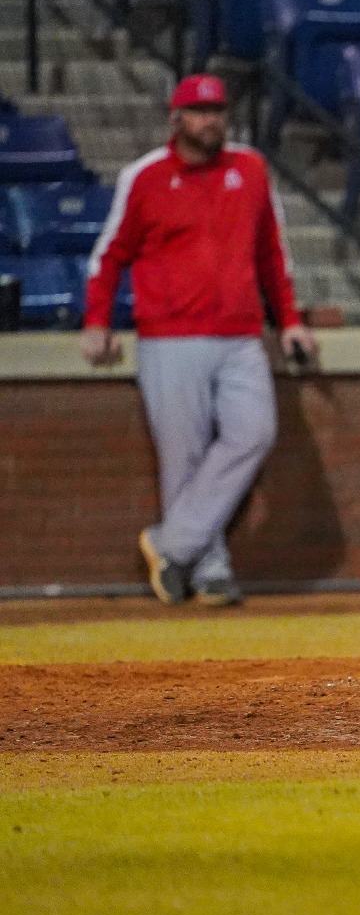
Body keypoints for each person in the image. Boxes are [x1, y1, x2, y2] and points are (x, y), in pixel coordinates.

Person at [79, 73, 314, 608]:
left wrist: (291, 319)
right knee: (181, 457)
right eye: (199, 111)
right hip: (170, 335)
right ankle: (208, 570)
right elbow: (109, 254)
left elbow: (272, 254)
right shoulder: (146, 176)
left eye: (218, 111)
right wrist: (97, 320)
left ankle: (171, 544)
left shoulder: (250, 168)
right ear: (176, 117)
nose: (211, 121)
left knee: (254, 432)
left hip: (239, 333)